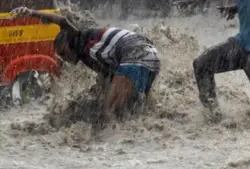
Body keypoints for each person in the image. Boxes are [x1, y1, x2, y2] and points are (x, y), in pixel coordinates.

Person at [11, 7, 160, 117]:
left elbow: (63, 21)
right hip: (151, 55)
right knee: (136, 110)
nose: (64, 59)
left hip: (135, 53)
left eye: (63, 53)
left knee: (109, 114)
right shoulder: (93, 53)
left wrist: (31, 13)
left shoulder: (81, 37)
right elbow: (109, 75)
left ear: (70, 42)